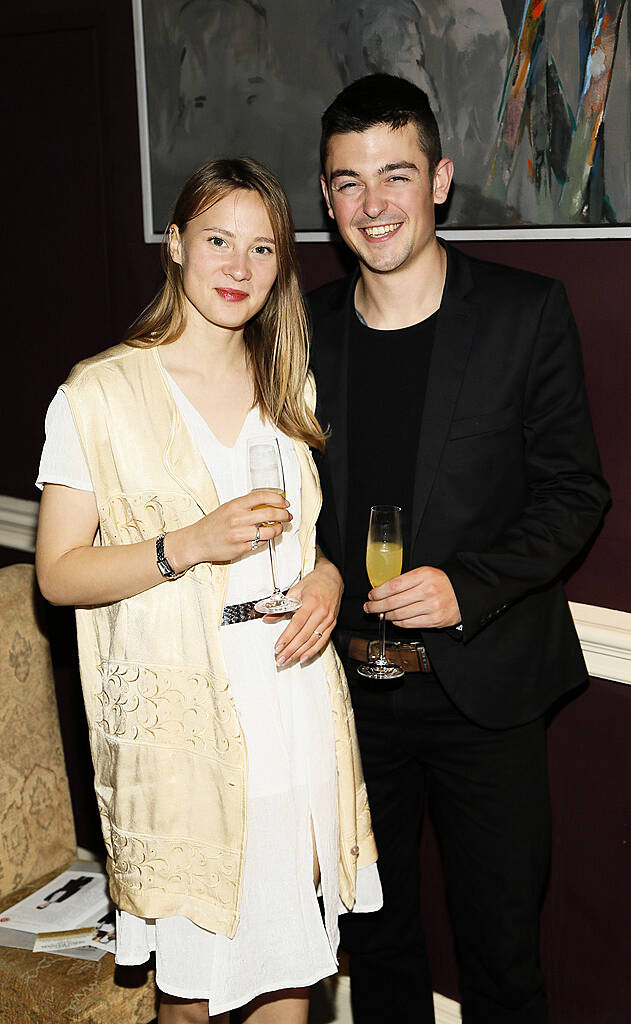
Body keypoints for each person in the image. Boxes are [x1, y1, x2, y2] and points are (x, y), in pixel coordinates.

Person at [35, 157, 382, 1024]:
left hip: (293, 700)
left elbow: (314, 542)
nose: (238, 269)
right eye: (219, 241)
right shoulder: (98, 394)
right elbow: (58, 571)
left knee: (288, 972)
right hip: (180, 726)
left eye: (262, 249)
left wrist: (330, 581)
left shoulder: (285, 385)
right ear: (177, 245)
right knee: (193, 993)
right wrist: (186, 544)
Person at [306, 73, 610, 1023]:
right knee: (376, 944)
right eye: (347, 183)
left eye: (394, 175)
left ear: (439, 179)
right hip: (346, 693)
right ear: (326, 199)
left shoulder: (525, 314)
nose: (372, 204)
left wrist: (464, 589)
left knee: (499, 956)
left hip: (487, 690)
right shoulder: (299, 329)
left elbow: (574, 493)